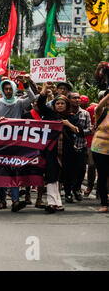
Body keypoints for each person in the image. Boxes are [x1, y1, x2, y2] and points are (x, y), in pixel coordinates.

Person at [0, 75, 36, 212]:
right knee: (1, 171)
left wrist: (25, 83)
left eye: (10, 89)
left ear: (14, 89)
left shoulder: (19, 102)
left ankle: (15, 200)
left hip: (16, 142)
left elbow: (32, 98)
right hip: (0, 142)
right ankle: (2, 200)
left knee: (14, 171)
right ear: (3, 90)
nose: (8, 91)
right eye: (6, 89)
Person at [36, 83, 73, 213]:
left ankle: (57, 202)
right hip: (51, 150)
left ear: (67, 105)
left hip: (67, 152)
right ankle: (51, 203)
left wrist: (69, 125)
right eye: (57, 104)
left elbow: (80, 132)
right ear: (54, 105)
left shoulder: (72, 117)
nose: (60, 106)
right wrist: (45, 88)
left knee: (58, 177)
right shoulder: (50, 114)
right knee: (51, 176)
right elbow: (40, 104)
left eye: (62, 103)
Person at [62, 91, 92, 203]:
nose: (77, 100)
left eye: (78, 98)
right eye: (74, 98)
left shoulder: (85, 114)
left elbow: (89, 130)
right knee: (68, 171)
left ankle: (77, 188)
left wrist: (78, 131)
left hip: (81, 145)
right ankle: (68, 192)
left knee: (81, 170)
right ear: (69, 99)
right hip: (67, 147)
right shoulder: (64, 113)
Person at [90, 90, 108, 212]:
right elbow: (98, 107)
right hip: (100, 149)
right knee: (103, 175)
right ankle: (104, 204)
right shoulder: (103, 111)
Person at [80, 95, 98, 197]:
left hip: (104, 142)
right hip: (91, 141)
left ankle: (101, 189)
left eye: (84, 104)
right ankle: (90, 186)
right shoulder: (91, 110)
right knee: (91, 165)